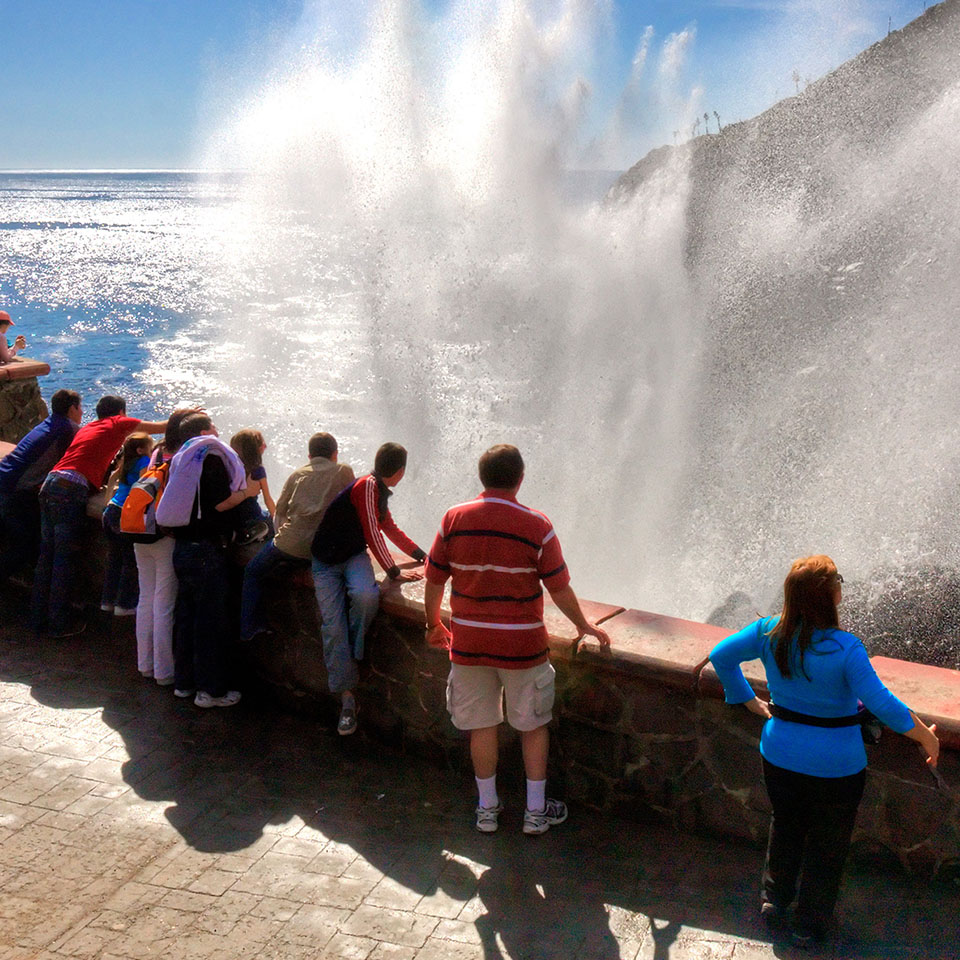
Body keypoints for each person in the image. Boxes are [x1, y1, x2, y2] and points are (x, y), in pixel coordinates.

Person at [708, 555, 939, 946]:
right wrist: (925, 737)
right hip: (837, 768)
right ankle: (809, 925)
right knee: (827, 845)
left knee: (787, 825)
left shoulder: (768, 633)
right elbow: (881, 703)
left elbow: (720, 656)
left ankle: (775, 900)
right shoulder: (846, 648)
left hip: (779, 755)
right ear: (831, 595)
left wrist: (746, 699)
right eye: (839, 581)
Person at [423, 444, 610, 835]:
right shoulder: (537, 525)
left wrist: (432, 625)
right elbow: (559, 589)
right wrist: (583, 626)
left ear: (482, 477)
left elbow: (435, 578)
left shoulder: (453, 519)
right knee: (533, 725)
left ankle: (487, 809)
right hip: (522, 647)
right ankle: (535, 813)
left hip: (470, 642)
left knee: (482, 725)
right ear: (520, 479)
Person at [311, 441, 426, 735]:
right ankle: (347, 698)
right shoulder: (367, 487)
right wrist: (393, 571)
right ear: (399, 472)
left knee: (366, 596)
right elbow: (374, 534)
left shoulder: (377, 492)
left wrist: (422, 556)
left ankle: (353, 653)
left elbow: (389, 528)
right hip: (325, 562)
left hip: (351, 557)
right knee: (333, 627)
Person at [30, 396, 167, 638]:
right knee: (64, 558)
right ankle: (58, 624)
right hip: (70, 489)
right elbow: (162, 428)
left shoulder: (91, 426)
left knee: (47, 555)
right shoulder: (118, 422)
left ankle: (38, 620)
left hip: (52, 483)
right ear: (121, 413)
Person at [159, 412, 247, 708]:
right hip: (208, 550)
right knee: (211, 623)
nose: (217, 429)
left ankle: (184, 684)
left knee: (186, 618)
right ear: (203, 432)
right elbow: (220, 502)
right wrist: (246, 493)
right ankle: (212, 692)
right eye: (212, 426)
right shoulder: (210, 459)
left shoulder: (181, 460)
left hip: (183, 547)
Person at [240, 431, 354, 643]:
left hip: (288, 546)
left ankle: (249, 628)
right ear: (335, 454)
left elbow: (279, 514)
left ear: (309, 457)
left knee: (253, 571)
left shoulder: (297, 474)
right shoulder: (344, 471)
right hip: (321, 550)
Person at [132, 408, 202, 688]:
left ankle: (144, 664)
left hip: (141, 529)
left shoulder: (158, 452)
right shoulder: (183, 459)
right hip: (165, 536)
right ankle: (164, 671)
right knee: (164, 604)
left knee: (145, 598)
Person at [0, 389, 82, 585]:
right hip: (13, 491)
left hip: (5, 479)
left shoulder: (48, 424)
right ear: (72, 409)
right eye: (80, 407)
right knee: (27, 544)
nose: (81, 412)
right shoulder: (68, 429)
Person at [100, 433, 153, 617]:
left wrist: (107, 502)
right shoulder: (144, 461)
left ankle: (107, 601)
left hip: (111, 510)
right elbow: (143, 487)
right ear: (141, 450)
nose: (151, 450)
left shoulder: (127, 460)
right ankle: (124, 605)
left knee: (114, 559)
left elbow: (113, 478)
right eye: (149, 446)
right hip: (124, 513)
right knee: (130, 561)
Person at [229, 428, 275, 545]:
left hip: (233, 517)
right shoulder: (257, 470)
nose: (265, 446)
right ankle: (259, 531)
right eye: (263, 443)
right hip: (253, 515)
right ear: (257, 449)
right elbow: (268, 499)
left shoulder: (230, 467)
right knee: (271, 519)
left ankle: (242, 532)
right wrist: (277, 520)